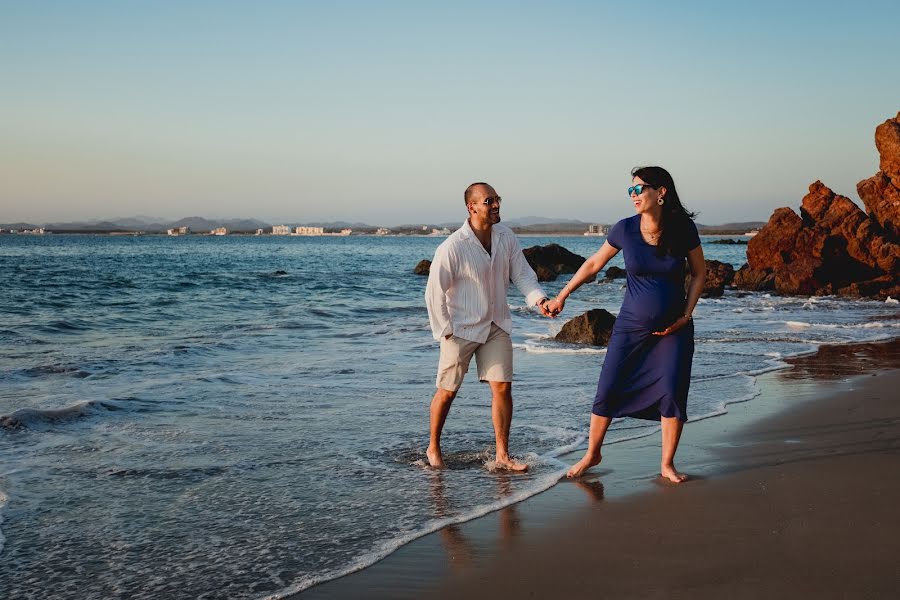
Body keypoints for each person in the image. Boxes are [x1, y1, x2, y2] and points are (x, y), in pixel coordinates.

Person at [546, 166, 706, 483]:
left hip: (674, 331)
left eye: (638, 189)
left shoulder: (683, 229)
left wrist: (686, 316)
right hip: (631, 326)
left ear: (661, 192)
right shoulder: (625, 229)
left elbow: (700, 273)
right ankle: (592, 453)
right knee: (608, 388)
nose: (633, 196)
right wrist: (561, 295)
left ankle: (667, 464)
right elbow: (593, 264)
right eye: (630, 191)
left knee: (672, 391)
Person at [425, 182, 555, 471]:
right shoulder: (453, 247)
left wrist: (540, 300)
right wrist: (445, 331)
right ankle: (433, 446)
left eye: (497, 199)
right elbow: (434, 292)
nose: (496, 205)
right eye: (488, 201)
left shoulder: (505, 237)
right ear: (471, 207)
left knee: (503, 388)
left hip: (496, 324)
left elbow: (522, 275)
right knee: (447, 391)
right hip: (460, 328)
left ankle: (502, 454)